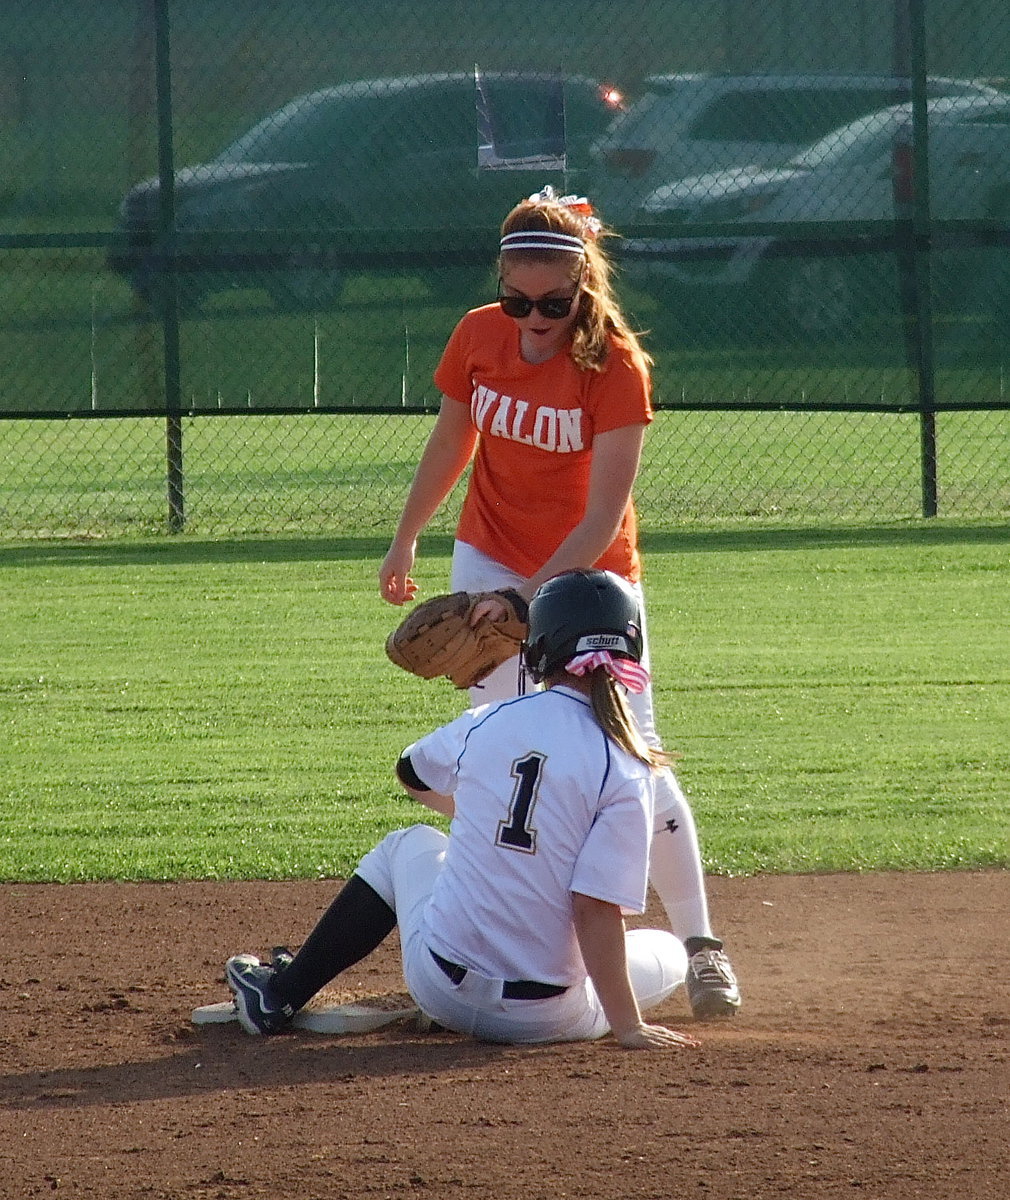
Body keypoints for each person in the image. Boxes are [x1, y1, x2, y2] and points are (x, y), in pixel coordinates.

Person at [378, 185, 740, 1020]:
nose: (533, 319)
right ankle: (493, 927)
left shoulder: (615, 366)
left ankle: (701, 946)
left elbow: (602, 517)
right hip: (489, 551)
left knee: (632, 754)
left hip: (589, 587)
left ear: (583, 287)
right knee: (491, 740)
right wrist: (406, 538)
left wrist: (523, 595)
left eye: (552, 303)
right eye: (518, 300)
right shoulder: (479, 335)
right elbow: (452, 437)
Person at [225, 570, 700, 1050]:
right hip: (545, 1020)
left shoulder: (489, 719)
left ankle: (280, 994)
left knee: (407, 844)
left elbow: (410, 771)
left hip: (441, 989)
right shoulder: (626, 766)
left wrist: (483, 816)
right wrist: (628, 1027)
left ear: (539, 646)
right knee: (669, 952)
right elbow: (595, 909)